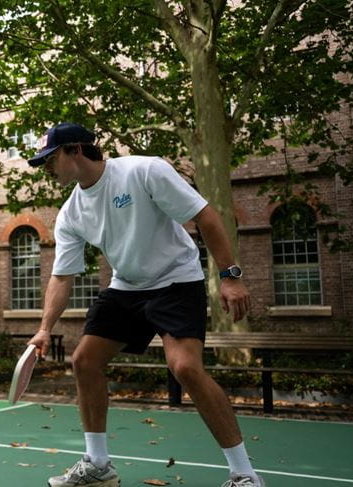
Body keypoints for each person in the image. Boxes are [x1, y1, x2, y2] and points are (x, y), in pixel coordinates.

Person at [25, 123, 262, 487]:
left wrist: (230, 276)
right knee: (84, 361)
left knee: (185, 368)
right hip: (127, 286)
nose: (47, 168)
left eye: (50, 159)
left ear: (75, 150)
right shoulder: (71, 213)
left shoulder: (142, 170)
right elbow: (61, 276)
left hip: (176, 280)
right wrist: (44, 329)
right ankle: (99, 466)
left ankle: (244, 474)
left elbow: (206, 215)